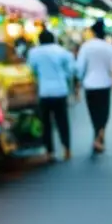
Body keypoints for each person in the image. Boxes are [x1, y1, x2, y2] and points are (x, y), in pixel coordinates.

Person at [28, 29, 76, 162]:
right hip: (60, 91)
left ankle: (50, 151)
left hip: (44, 92)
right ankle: (67, 149)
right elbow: (70, 71)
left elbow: (32, 71)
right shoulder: (62, 51)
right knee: (62, 121)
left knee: (46, 123)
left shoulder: (34, 53)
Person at [76, 19, 112, 154]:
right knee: (104, 112)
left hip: (90, 85)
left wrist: (77, 86)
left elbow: (79, 68)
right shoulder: (109, 48)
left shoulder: (86, 47)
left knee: (94, 113)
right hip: (105, 84)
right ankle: (100, 136)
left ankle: (97, 137)